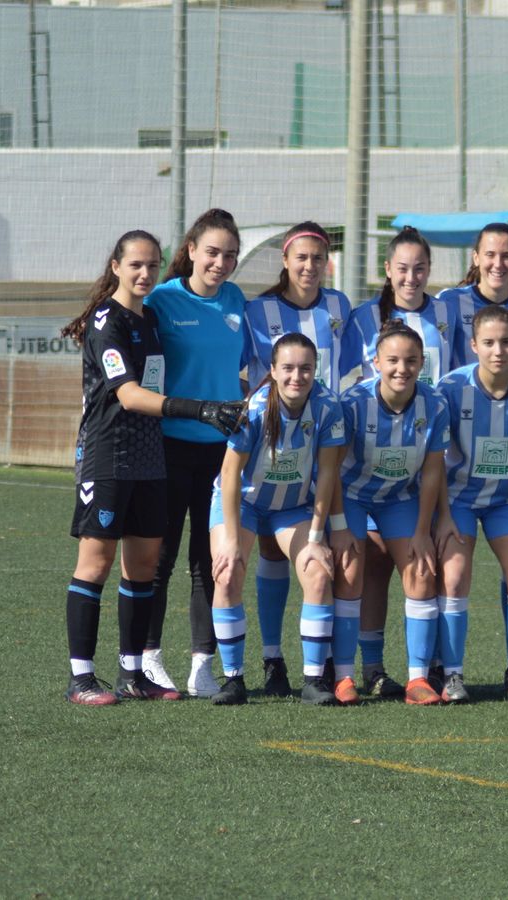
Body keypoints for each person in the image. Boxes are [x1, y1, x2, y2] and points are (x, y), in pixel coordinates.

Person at [59, 230, 241, 704]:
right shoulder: (107, 320)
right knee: (96, 564)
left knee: (142, 565)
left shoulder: (152, 317)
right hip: (107, 456)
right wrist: (200, 409)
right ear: (116, 267)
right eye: (135, 265)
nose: (144, 274)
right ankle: (81, 678)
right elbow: (129, 395)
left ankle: (132, 673)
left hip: (149, 457)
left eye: (152, 266)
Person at [338, 226, 458, 699]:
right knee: (353, 568)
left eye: (411, 361)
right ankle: (347, 673)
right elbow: (331, 467)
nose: (401, 368)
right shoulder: (353, 403)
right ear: (376, 361)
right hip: (352, 495)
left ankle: (418, 678)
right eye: (392, 361)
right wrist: (332, 522)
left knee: (421, 565)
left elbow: (432, 470)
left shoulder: (434, 403)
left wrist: (425, 527)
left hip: (400, 496)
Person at [240, 221, 351, 697]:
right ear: (285, 261)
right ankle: (273, 660)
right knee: (270, 551)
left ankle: (327, 664)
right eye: (301, 257)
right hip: (271, 450)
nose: (309, 266)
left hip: (324, 443)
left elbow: (347, 371)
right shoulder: (257, 311)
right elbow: (244, 375)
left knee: (328, 556)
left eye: (318, 258)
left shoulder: (339, 306)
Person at [206, 333, 348, 705]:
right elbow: (230, 474)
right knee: (228, 571)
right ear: (272, 370)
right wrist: (232, 540)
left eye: (305, 368)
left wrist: (316, 536)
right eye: (287, 368)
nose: (296, 377)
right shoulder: (254, 408)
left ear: (315, 370)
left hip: (293, 506)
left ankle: (314, 681)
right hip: (244, 503)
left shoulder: (328, 406)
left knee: (318, 571)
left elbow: (328, 474)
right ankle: (233, 680)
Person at [143, 208, 248, 697]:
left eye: (230, 255)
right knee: (159, 557)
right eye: (212, 252)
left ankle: (202, 665)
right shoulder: (162, 299)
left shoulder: (236, 300)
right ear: (190, 251)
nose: (220, 263)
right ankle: (148, 658)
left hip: (222, 454)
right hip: (169, 446)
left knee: (210, 561)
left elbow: (240, 367)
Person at [435, 305, 508, 704]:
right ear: (473, 345)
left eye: (506, 342)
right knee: (454, 576)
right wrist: (443, 515)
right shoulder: (451, 388)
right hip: (458, 500)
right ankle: (451, 675)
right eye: (488, 342)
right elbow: (434, 458)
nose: (498, 350)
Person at [340, 226, 460, 387]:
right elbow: (333, 369)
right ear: (388, 269)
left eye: (419, 269)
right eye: (402, 269)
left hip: (435, 404)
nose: (411, 278)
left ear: (429, 269)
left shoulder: (447, 312)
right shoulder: (364, 317)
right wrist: (360, 391)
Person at [441, 222, 508, 373]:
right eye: (490, 254)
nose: (498, 264)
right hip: (467, 389)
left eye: (506, 256)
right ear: (476, 258)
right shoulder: (450, 302)